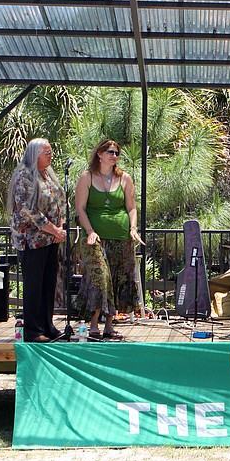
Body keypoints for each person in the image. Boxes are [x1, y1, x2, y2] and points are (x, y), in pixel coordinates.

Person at [75, 139, 145, 341]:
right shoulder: (87, 177)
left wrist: (133, 228)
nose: (114, 156)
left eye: (116, 153)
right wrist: (89, 231)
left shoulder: (124, 178)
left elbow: (131, 207)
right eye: (110, 152)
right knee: (100, 278)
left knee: (116, 278)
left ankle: (109, 324)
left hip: (121, 237)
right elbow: (80, 208)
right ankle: (94, 322)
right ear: (99, 154)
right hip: (95, 237)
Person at [8, 138, 67, 342]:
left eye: (51, 152)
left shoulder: (46, 174)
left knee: (48, 282)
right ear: (35, 155)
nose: (51, 156)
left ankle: (47, 325)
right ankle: (33, 330)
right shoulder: (24, 175)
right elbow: (28, 210)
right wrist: (53, 230)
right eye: (47, 153)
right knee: (34, 284)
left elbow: (59, 199)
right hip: (32, 240)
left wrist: (60, 225)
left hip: (50, 239)